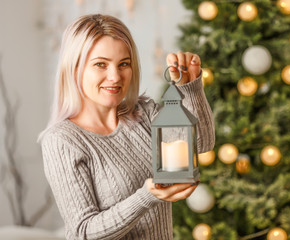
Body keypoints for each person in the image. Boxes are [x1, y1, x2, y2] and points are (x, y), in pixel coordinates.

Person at [39, 14, 215, 240]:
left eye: (124, 64)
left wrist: (190, 87)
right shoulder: (62, 140)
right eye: (100, 64)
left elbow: (202, 144)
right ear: (75, 68)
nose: (115, 77)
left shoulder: (145, 113)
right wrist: (147, 197)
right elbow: (83, 232)